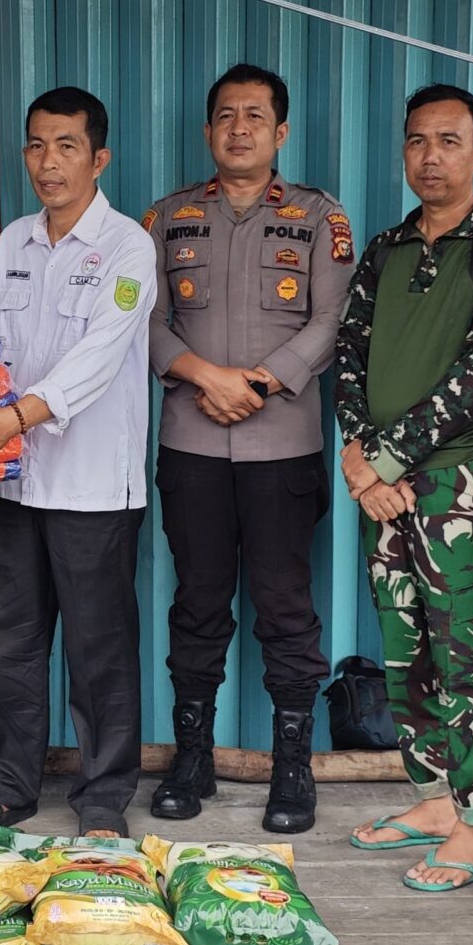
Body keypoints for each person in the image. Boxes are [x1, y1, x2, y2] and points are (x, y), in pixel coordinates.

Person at [336, 84, 473, 891]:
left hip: (463, 484)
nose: (431, 156)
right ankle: (432, 799)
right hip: (381, 487)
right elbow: (348, 356)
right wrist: (360, 457)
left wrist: (386, 457)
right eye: (417, 141)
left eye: (449, 141)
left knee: (470, 653)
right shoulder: (385, 248)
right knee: (406, 652)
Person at [0, 87, 157, 840]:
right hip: (18, 479)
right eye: (36, 145)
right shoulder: (14, 242)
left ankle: (102, 798)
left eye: (66, 146)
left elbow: (97, 360)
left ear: (99, 158)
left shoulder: (128, 246)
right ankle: (9, 786)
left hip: (96, 485)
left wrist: (14, 417)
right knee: (16, 643)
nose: (48, 162)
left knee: (100, 650)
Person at [143, 63, 354, 834]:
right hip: (192, 442)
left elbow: (332, 324)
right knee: (197, 602)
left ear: (280, 133)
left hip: (282, 445)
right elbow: (146, 322)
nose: (239, 127)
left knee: (285, 606)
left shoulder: (318, 217)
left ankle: (290, 768)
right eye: (226, 114)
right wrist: (206, 376)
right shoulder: (167, 218)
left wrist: (258, 383)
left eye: (256, 116)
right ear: (208, 131)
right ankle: (192, 756)